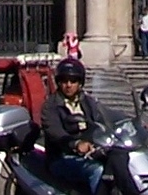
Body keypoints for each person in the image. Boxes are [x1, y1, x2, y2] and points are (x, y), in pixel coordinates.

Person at [40, 58, 110, 195]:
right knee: (97, 170)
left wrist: (131, 125)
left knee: (120, 165)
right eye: (64, 81)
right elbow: (55, 132)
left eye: (73, 81)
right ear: (58, 82)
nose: (68, 85)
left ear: (80, 83)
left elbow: (103, 118)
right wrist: (76, 144)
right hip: (62, 157)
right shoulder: (50, 106)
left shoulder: (88, 102)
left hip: (92, 153)